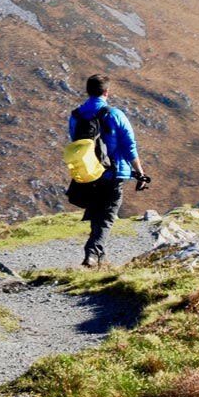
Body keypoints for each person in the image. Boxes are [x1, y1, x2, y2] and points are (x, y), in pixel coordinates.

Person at [69, 73, 145, 268]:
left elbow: (75, 143)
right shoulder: (115, 114)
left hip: (87, 174)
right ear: (107, 92)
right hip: (111, 174)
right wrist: (140, 172)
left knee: (96, 213)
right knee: (107, 216)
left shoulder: (76, 116)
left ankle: (100, 262)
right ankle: (92, 253)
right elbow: (129, 146)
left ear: (87, 91)